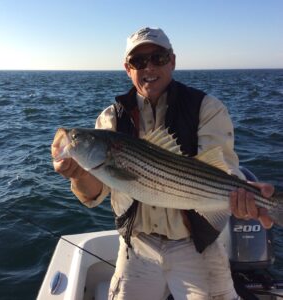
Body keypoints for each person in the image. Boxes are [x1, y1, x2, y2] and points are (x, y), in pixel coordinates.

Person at [52, 27, 274, 299]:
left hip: (197, 246)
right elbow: (92, 194)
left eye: (158, 58)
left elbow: (221, 170)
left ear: (173, 60)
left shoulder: (207, 107)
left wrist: (243, 198)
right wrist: (76, 174)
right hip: (136, 247)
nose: (149, 67)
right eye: (138, 62)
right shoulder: (110, 120)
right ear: (127, 68)